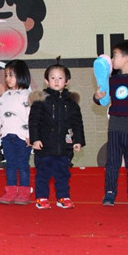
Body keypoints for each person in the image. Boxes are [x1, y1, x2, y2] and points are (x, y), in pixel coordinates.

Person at [93, 40, 128, 207]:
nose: (112, 60)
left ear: (127, 59)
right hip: (115, 127)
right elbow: (102, 100)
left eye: (115, 56)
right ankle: (110, 193)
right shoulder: (112, 80)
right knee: (112, 162)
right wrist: (97, 97)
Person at [28, 60, 85, 210]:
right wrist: (35, 139)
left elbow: (77, 123)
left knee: (63, 174)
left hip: (64, 147)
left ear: (67, 81)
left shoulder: (71, 103)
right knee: (43, 174)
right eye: (52, 78)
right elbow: (34, 121)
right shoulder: (40, 100)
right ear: (46, 81)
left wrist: (78, 140)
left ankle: (63, 197)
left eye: (60, 78)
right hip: (44, 147)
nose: (56, 81)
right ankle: (42, 198)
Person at [0, 60, 33, 205]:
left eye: (11, 75)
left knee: (23, 165)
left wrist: (30, 135)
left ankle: (24, 193)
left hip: (23, 138)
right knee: (10, 165)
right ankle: (10, 192)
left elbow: (32, 118)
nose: (8, 78)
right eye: (6, 75)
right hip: (6, 137)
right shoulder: (3, 96)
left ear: (22, 75)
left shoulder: (28, 96)